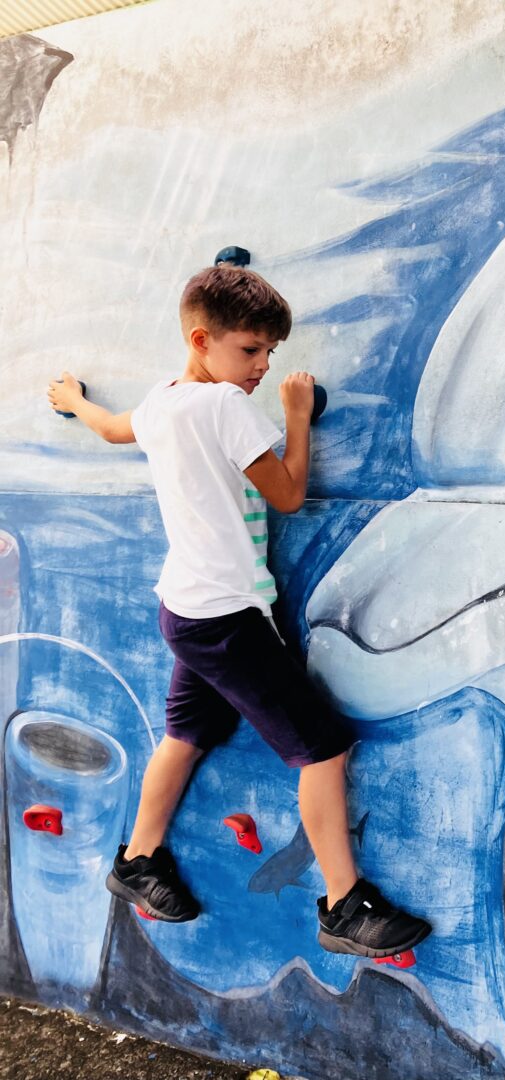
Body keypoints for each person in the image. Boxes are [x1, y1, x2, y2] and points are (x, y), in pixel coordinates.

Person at [46, 264, 431, 959]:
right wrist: (296, 416)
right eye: (251, 349)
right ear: (202, 340)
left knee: (186, 734)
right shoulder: (225, 405)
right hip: (224, 619)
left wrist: (74, 400)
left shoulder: (161, 402)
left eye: (270, 353)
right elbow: (287, 495)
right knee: (323, 747)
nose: (263, 366)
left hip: (187, 613)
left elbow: (111, 429)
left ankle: (137, 861)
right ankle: (344, 906)